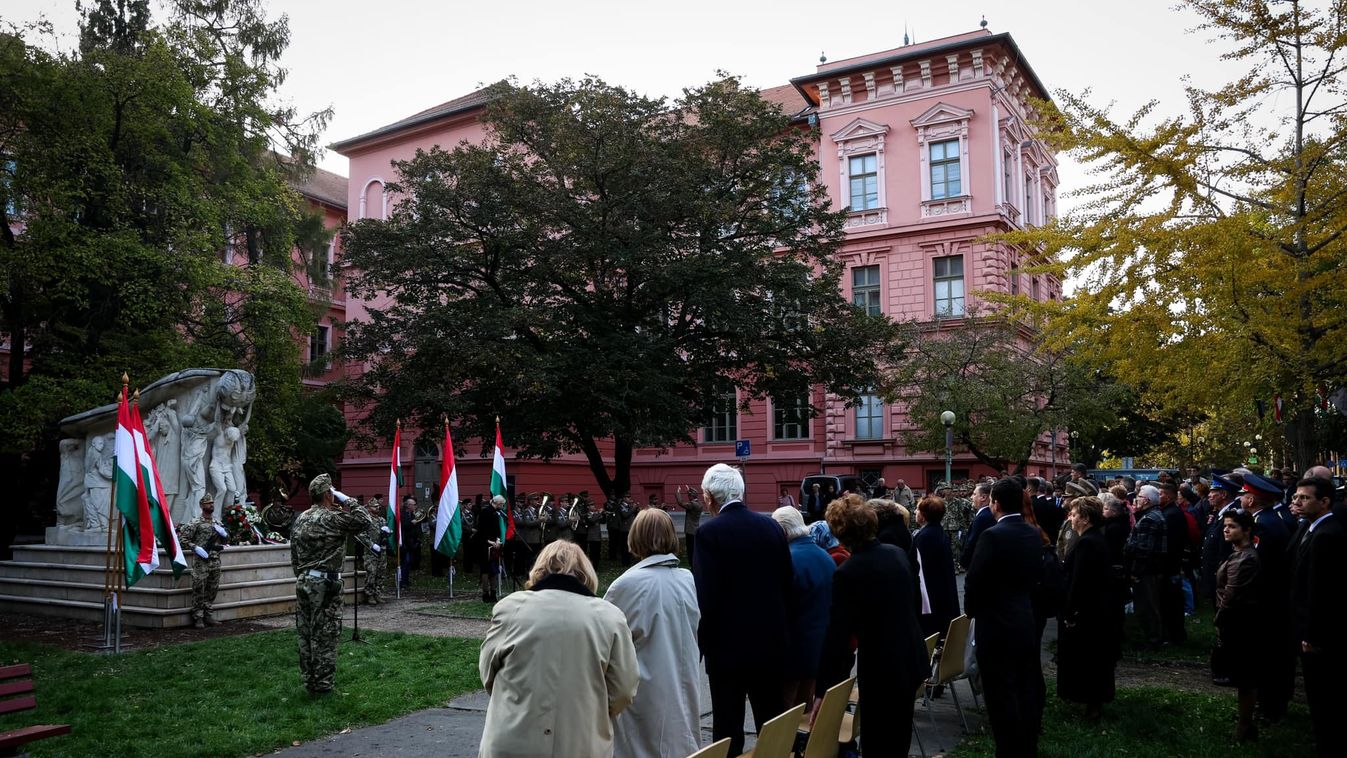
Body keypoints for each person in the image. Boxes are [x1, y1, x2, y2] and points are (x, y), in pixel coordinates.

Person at [479, 540, 639, 757]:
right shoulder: (609, 617)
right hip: (582, 741)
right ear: (586, 573)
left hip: (514, 738)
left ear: (540, 568)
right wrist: (594, 710)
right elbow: (623, 688)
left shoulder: (510, 608)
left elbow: (488, 673)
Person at [815, 494, 927, 758]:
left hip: (881, 666)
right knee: (899, 737)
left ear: (841, 532)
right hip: (910, 658)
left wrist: (823, 691)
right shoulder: (896, 553)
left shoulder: (849, 571)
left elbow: (838, 636)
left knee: (877, 740)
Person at [691, 463, 792, 756]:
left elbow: (705, 595)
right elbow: (787, 583)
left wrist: (702, 642)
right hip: (771, 642)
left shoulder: (709, 532)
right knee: (771, 723)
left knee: (727, 728)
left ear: (710, 496)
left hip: (727, 648)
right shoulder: (771, 525)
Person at [603, 509, 701, 758]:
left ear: (635, 537)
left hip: (644, 690)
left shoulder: (626, 585)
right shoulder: (686, 578)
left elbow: (602, 644)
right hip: (681, 682)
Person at [964, 478, 1044, 757]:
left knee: (999, 693)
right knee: (1024, 687)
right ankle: (1027, 744)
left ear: (994, 503)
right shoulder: (1033, 532)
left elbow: (974, 581)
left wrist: (972, 612)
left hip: (995, 625)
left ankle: (1009, 749)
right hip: (1023, 618)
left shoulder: (992, 536)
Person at [291, 474, 379, 694]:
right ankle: (323, 685)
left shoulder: (302, 518)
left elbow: (294, 553)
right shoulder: (330, 518)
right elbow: (364, 520)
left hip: (304, 580)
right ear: (328, 494)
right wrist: (348, 500)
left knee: (306, 633)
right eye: (332, 491)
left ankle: (310, 681)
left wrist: (302, 575)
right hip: (326, 584)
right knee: (326, 634)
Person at [1290, 476, 1344, 757]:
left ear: (1324, 502)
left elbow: (1320, 590)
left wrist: (1312, 634)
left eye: (1304, 498)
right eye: (1296, 496)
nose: (1297, 502)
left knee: (1323, 692)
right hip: (1306, 625)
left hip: (1319, 633)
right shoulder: (1310, 528)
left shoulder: (1327, 534)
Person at [1056, 497, 1119, 720]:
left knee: (1089, 660)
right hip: (1096, 610)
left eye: (1073, 514)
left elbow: (1079, 581)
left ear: (1084, 517)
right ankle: (1091, 702)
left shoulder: (1087, 543)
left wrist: (1071, 610)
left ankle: (1092, 704)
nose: (1070, 518)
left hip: (1088, 613)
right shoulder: (1093, 539)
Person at [1240, 472, 1293, 720]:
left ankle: (1270, 707)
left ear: (1252, 500)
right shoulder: (1270, 519)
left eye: (1243, 495)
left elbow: (1257, 565)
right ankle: (1268, 703)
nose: (1240, 499)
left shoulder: (1264, 525)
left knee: (1269, 657)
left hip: (1267, 601)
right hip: (1271, 599)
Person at [771, 506, 834, 709]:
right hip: (819, 650)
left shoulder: (788, 560)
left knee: (785, 716)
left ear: (783, 532)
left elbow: (780, 608)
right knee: (806, 712)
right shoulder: (825, 556)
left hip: (791, 654)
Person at [1214, 508, 1262, 741]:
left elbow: (1231, 595)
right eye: (1225, 525)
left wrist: (1219, 621)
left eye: (1231, 526)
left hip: (1240, 624)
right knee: (1243, 677)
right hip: (1236, 621)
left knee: (1245, 677)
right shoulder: (1238, 553)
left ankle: (1245, 726)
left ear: (1246, 530)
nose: (1226, 529)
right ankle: (1245, 723)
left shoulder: (1246, 558)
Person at [1124, 484, 1168, 649]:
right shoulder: (1154, 515)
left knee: (1148, 605)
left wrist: (1136, 572)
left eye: (1139, 496)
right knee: (1150, 604)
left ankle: (1153, 639)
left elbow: (1144, 550)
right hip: (1152, 569)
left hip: (1147, 571)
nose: (1136, 499)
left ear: (1147, 500)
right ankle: (1154, 636)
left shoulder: (1149, 518)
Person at [910, 495, 960, 639]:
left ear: (924, 516)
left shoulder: (925, 536)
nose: (914, 512)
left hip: (933, 599)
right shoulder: (937, 531)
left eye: (917, 509)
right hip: (944, 595)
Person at [177, 494, 229, 628]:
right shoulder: (195, 523)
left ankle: (208, 614)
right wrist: (195, 547)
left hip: (215, 560)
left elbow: (225, 541)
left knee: (212, 587)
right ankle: (198, 617)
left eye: (212, 503)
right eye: (207, 503)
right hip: (201, 561)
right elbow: (183, 540)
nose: (211, 505)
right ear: (201, 506)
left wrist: (224, 535)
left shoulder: (217, 523)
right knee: (199, 588)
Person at [959, 481, 996, 569]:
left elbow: (972, 543)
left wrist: (964, 561)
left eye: (974, 494)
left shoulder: (982, 517)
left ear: (983, 497)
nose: (971, 497)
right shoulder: (988, 514)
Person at [476, 496, 505, 602]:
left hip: (494, 545)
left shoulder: (496, 513)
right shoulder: (485, 512)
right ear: (497, 503)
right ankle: (485, 593)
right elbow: (481, 531)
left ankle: (493, 593)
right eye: (502, 504)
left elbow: (497, 529)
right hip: (485, 545)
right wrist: (490, 542)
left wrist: (497, 540)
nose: (502, 506)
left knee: (494, 570)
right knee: (485, 570)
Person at [362, 496, 389, 604]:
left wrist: (387, 533)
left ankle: (377, 593)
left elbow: (385, 534)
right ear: (369, 508)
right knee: (371, 573)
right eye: (375, 506)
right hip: (371, 551)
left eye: (378, 506)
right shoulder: (366, 520)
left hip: (382, 550)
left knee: (380, 573)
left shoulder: (381, 520)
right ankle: (369, 595)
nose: (377, 508)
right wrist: (371, 544)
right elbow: (362, 535)